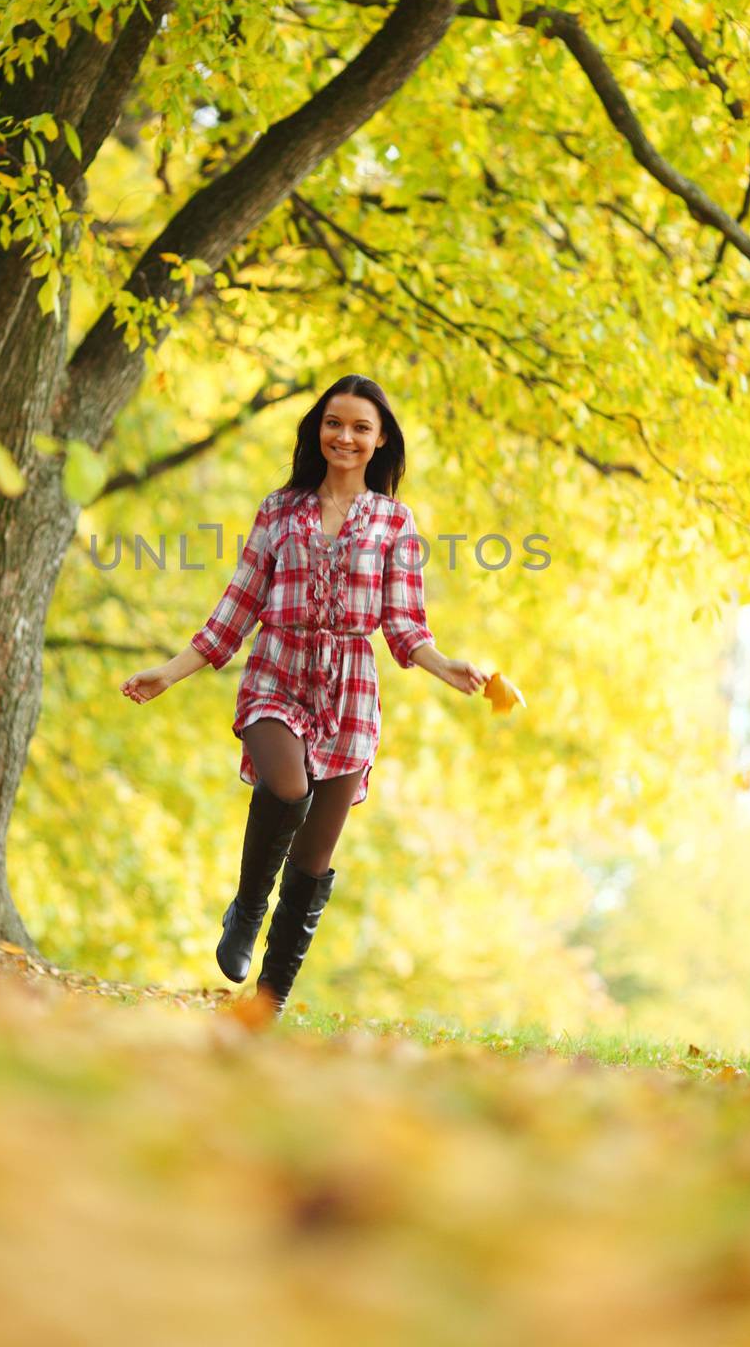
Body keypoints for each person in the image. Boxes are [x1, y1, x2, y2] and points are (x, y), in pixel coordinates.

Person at [121, 374, 491, 1017]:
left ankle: (267, 1004)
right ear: (317, 430)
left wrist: (446, 666)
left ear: (380, 442)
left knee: (316, 856)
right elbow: (237, 607)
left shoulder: (395, 521)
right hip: (277, 669)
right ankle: (246, 908)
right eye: (334, 423)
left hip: (350, 688)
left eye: (360, 428)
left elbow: (403, 624)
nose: (344, 436)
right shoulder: (279, 509)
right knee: (286, 788)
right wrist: (170, 671)